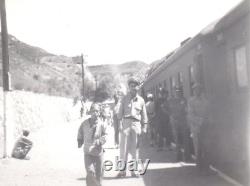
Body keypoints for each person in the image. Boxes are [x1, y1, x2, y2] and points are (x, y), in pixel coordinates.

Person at [116, 77, 148, 178]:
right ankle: (122, 171)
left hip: (136, 125)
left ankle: (134, 171)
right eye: (131, 86)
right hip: (126, 124)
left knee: (135, 150)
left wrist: (145, 127)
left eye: (135, 86)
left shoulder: (141, 100)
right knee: (123, 149)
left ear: (138, 87)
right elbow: (119, 115)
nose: (133, 88)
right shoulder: (124, 99)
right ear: (129, 87)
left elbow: (144, 116)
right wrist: (120, 126)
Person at [77, 103, 107, 186]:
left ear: (99, 113)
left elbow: (105, 135)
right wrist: (80, 140)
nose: (95, 113)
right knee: (90, 172)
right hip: (88, 152)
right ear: (90, 112)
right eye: (93, 111)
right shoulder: (84, 124)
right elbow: (80, 132)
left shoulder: (102, 124)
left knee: (99, 174)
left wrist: (101, 141)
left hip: (98, 153)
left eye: (97, 111)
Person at [187, 83, 210, 171]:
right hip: (196, 127)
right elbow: (190, 115)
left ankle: (206, 167)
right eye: (195, 89)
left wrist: (207, 120)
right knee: (198, 148)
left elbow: (208, 112)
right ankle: (199, 168)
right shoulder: (191, 101)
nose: (197, 91)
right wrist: (201, 121)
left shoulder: (205, 101)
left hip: (205, 127)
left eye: (199, 89)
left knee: (206, 147)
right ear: (193, 91)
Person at [169, 86, 191, 162]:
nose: (177, 93)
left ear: (180, 92)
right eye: (176, 91)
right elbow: (164, 107)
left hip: (183, 121)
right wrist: (171, 115)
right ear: (174, 92)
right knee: (177, 140)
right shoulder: (171, 100)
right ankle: (179, 157)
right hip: (175, 122)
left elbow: (187, 109)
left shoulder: (183, 99)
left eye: (178, 91)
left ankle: (187, 157)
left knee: (185, 139)